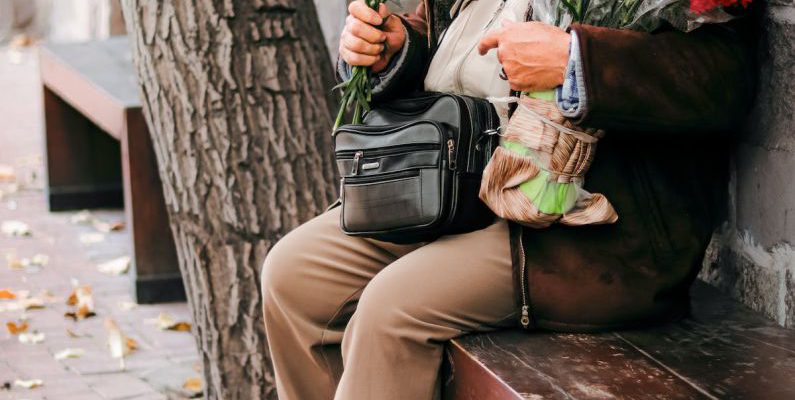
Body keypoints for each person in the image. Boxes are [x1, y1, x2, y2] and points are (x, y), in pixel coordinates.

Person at [260, 1, 754, 399]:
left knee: (391, 311)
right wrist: (397, 47)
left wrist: (576, 60)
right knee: (293, 274)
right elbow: (461, 31)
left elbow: (725, 76)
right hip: (457, 188)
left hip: (584, 230)